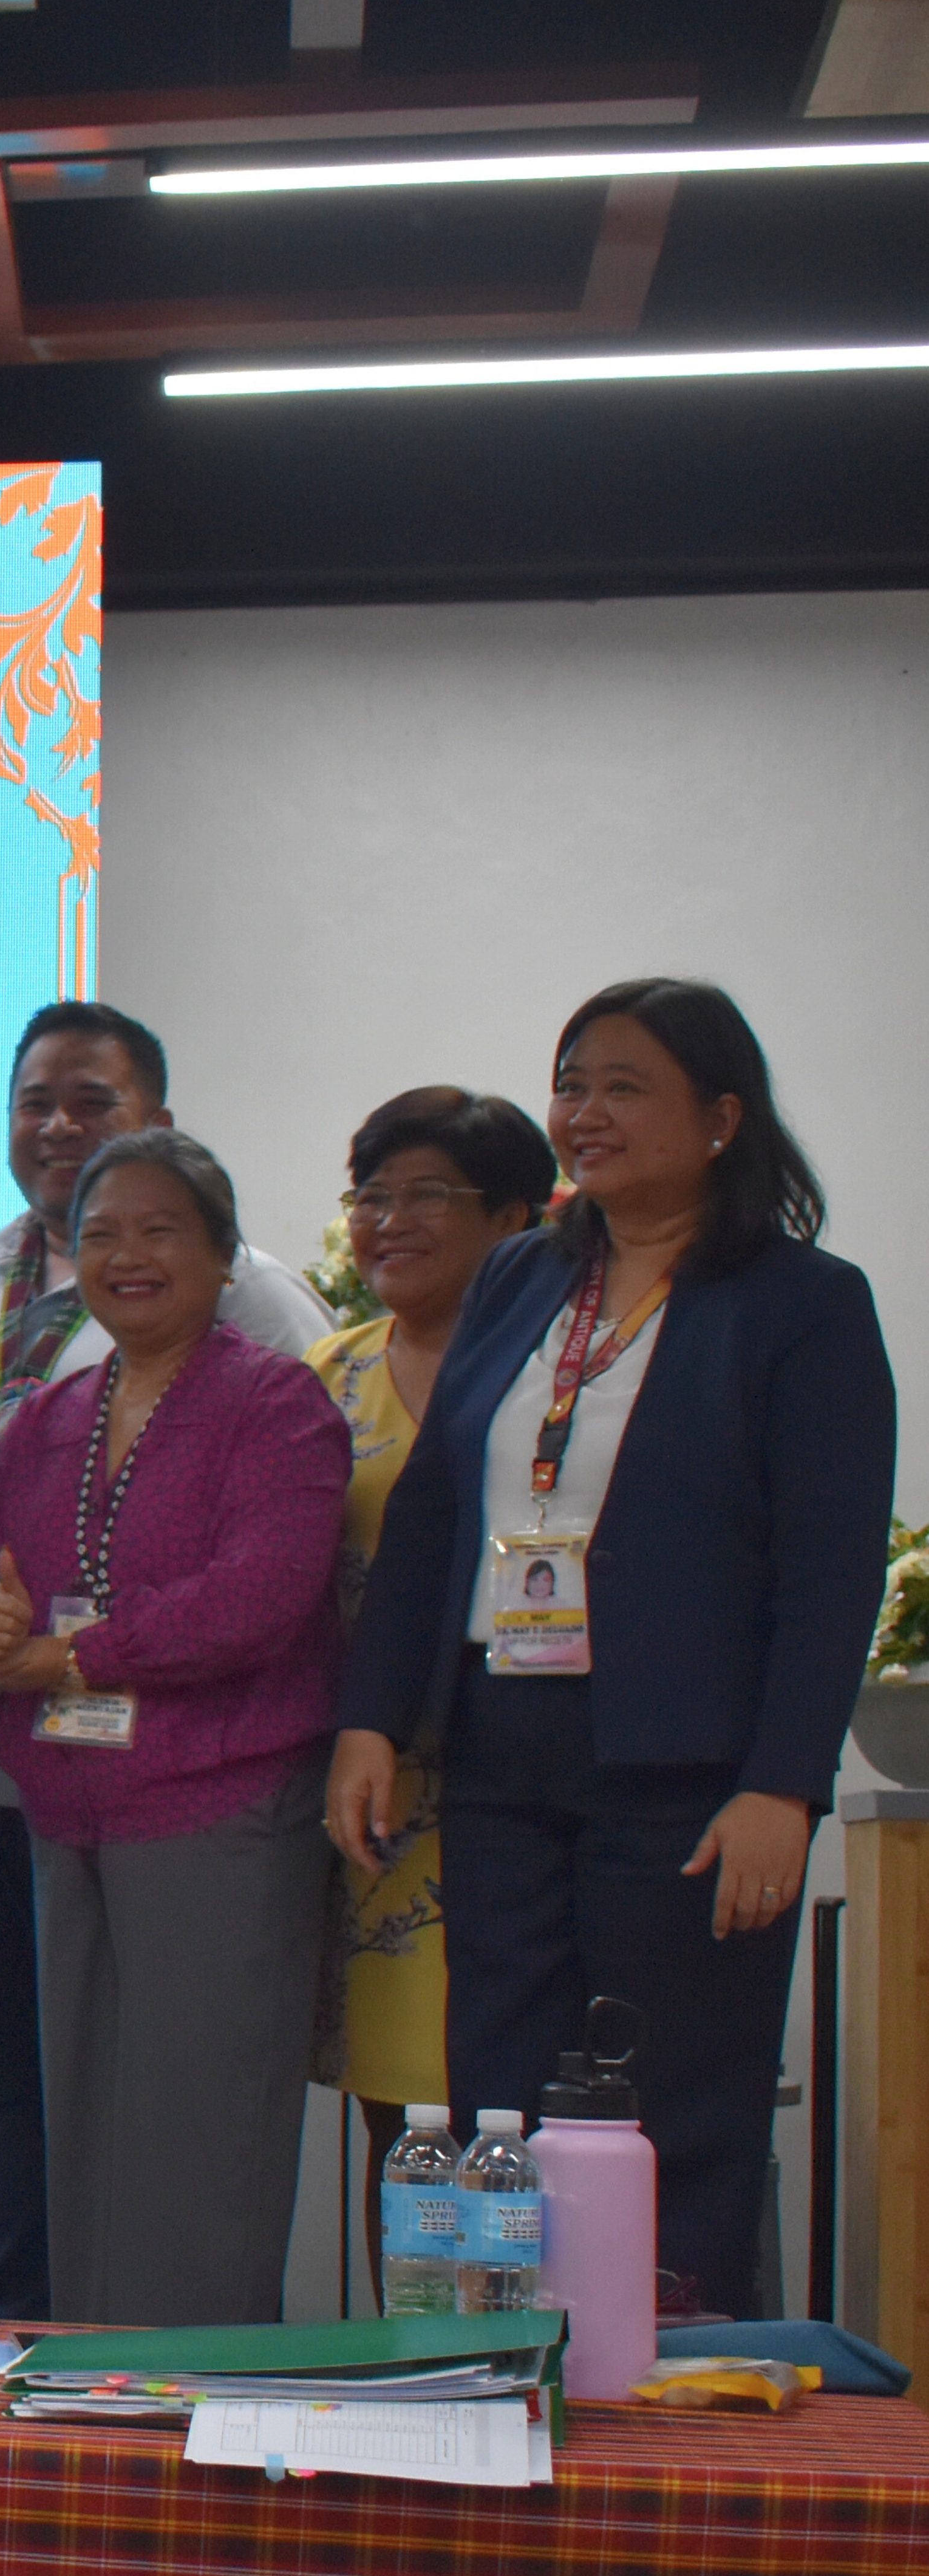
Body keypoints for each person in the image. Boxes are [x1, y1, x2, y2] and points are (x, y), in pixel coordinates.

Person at [333, 980, 895, 2322]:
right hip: (498, 1741)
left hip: (687, 1765)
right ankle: (500, 2358)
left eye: (622, 1085)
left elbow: (830, 1566)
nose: (582, 1113)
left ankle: (666, 2384)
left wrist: (783, 1780)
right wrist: (371, 1717)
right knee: (500, 2086)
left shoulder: (800, 1302)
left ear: (718, 1116)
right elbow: (428, 1513)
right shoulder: (528, 1270)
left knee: (668, 2090)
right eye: (570, 1081)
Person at [0, 1000, 329, 2319]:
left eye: (157, 1231)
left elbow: (267, 1586)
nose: (125, 1257)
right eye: (101, 1236)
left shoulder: (268, 1360)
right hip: (11, 1793)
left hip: (207, 1795)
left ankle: (196, 2412)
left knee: (192, 2117)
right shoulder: (15, 1359)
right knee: (38, 2111)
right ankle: (51, 2380)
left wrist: (73, 1656)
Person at [313, 1087, 558, 2212]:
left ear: (514, 1220)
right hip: (365, 1800)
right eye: (371, 1195)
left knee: (519, 2119)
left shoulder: (561, 1379)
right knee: (401, 2133)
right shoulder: (325, 1378)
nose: (387, 1222)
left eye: (426, 1197)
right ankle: (408, 2375)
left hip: (517, 1785)